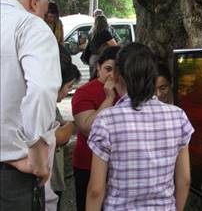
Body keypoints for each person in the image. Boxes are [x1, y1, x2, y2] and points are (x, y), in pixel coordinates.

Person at [86, 43, 194, 210]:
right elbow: (184, 180)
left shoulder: (106, 121)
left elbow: (96, 189)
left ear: (116, 76)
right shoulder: (178, 116)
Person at [0, 0, 61, 210]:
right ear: (35, 0)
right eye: (45, 11)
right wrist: (38, 154)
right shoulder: (29, 24)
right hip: (12, 176)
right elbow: (42, 89)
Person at [71, 46, 121, 211]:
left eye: (117, 70)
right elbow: (87, 127)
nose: (112, 75)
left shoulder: (127, 90)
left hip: (119, 166)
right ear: (98, 67)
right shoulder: (84, 92)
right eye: (108, 69)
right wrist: (109, 98)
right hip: (88, 164)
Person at [45, 45, 81, 211]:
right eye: (69, 85)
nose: (71, 89)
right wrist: (71, 125)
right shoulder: (45, 104)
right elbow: (60, 136)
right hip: (47, 180)